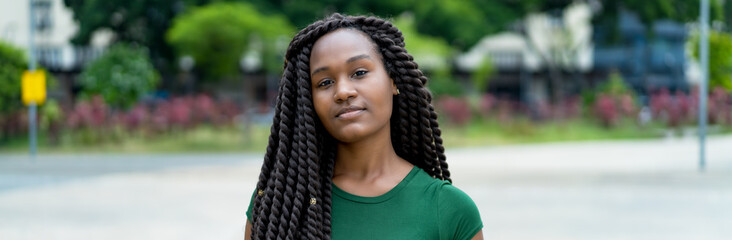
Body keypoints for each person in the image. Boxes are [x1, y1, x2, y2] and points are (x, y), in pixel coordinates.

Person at [245, 13, 483, 240]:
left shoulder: (450, 209)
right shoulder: (277, 204)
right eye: (325, 82)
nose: (343, 92)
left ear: (393, 81)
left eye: (359, 72)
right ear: (308, 100)